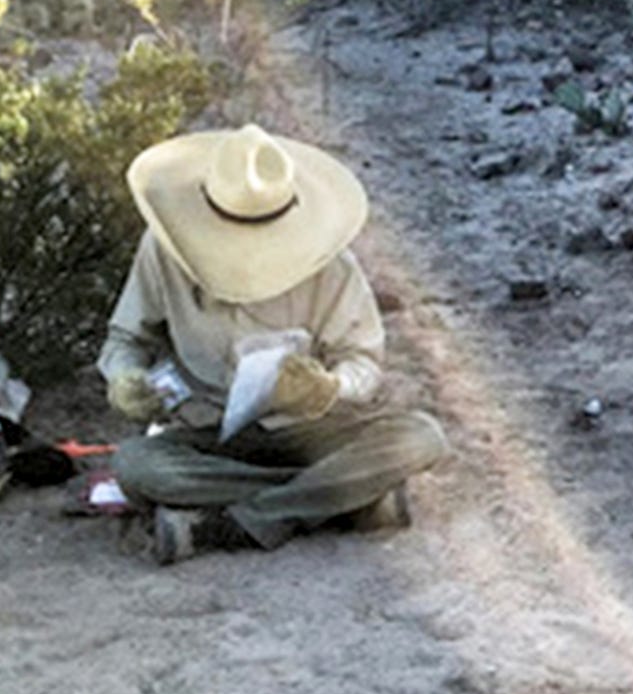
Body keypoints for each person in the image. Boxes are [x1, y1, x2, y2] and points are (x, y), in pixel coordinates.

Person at [99, 122, 447, 564]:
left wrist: (330, 388)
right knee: (135, 465)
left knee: (420, 436)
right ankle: (343, 499)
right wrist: (125, 378)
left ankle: (234, 522)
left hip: (310, 432)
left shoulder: (331, 263)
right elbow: (125, 339)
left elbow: (361, 360)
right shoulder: (164, 249)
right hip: (207, 432)